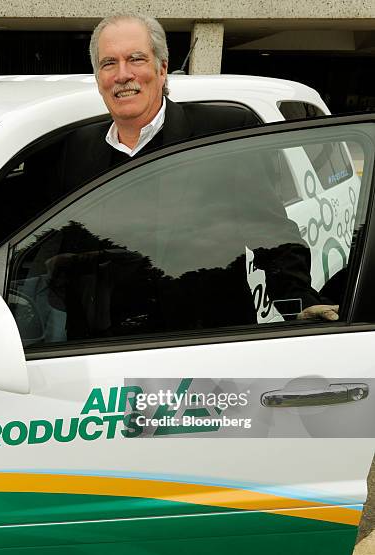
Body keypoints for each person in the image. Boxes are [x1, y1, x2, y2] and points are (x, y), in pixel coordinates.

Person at [38, 12, 338, 334]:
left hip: (196, 344)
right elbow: (59, 244)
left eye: (136, 59)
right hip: (98, 349)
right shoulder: (77, 148)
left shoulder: (221, 136)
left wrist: (300, 300)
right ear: (98, 78)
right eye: (109, 63)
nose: (122, 75)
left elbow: (268, 229)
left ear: (162, 68)